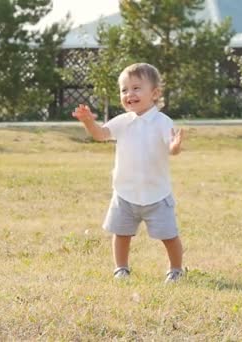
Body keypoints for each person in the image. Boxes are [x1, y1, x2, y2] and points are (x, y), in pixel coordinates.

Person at [72, 63, 185, 283]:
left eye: (136, 88)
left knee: (169, 236)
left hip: (156, 194)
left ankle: (176, 269)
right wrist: (88, 122)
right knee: (121, 233)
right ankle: (121, 268)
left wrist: (176, 145)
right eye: (124, 90)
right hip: (125, 192)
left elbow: (171, 147)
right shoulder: (123, 122)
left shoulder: (163, 122)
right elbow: (101, 134)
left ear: (154, 94)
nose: (129, 94)